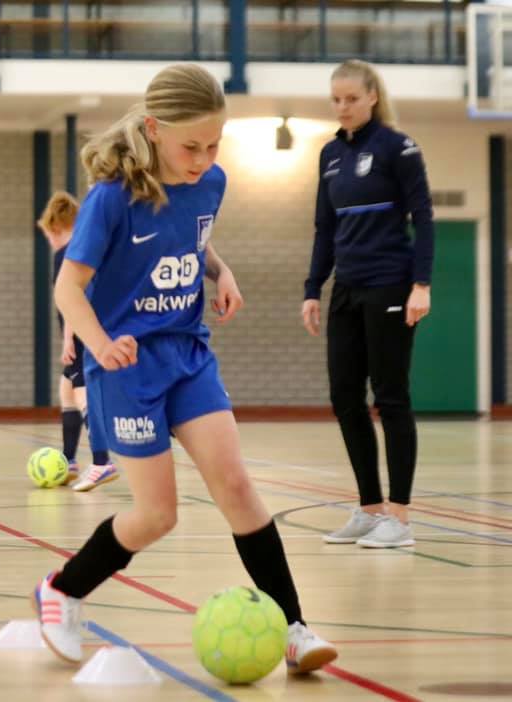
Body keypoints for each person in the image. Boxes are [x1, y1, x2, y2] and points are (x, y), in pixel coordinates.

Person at [33, 63, 338, 674]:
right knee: (157, 516)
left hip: (188, 354)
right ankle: (62, 589)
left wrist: (219, 272)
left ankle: (295, 628)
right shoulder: (110, 201)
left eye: (213, 145)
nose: (203, 157)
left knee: (236, 484)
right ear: (153, 130)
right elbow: (69, 288)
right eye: (190, 146)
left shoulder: (212, 182)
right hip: (126, 369)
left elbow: (193, 238)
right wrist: (98, 343)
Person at [302, 59, 434, 549]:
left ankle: (398, 519)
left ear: (372, 96)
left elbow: (423, 216)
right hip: (348, 289)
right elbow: (325, 227)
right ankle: (369, 508)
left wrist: (421, 284)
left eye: (351, 99)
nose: (342, 107)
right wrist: (313, 288)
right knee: (344, 397)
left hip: (391, 285)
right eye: (335, 100)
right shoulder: (330, 154)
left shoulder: (399, 149)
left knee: (391, 397)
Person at [36, 191, 118, 491]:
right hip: (88, 329)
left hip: (80, 333)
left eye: (48, 234)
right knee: (67, 391)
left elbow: (73, 298)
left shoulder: (65, 254)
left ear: (55, 227)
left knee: (83, 393)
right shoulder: (85, 249)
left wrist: (68, 339)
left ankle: (101, 461)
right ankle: (69, 460)